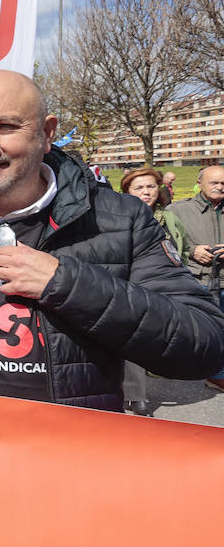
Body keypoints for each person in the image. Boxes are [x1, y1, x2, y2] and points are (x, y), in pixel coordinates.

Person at [0, 71, 224, 428]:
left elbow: (203, 345)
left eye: (4, 126)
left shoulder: (121, 219)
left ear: (47, 132)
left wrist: (68, 285)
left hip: (71, 451)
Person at [119, 166, 191, 414]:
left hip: (164, 286)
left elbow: (184, 246)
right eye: (138, 187)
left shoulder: (168, 217)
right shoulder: (118, 217)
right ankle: (136, 394)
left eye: (150, 186)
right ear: (126, 191)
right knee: (134, 336)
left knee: (155, 336)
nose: (146, 192)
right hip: (131, 286)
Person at [166, 164, 224, 390]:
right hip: (195, 279)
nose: (220, 187)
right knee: (193, 329)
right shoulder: (177, 210)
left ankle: (217, 374)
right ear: (199, 183)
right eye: (214, 182)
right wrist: (191, 251)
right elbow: (165, 242)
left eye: (223, 183)